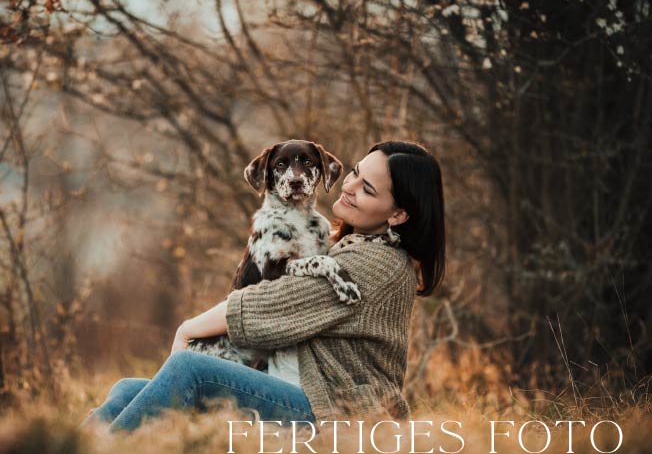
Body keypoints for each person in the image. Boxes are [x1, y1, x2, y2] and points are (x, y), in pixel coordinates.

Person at [83, 140, 446, 433]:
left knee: (188, 369)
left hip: (337, 415)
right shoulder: (348, 246)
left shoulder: (378, 263)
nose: (349, 187)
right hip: (306, 395)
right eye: (354, 173)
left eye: (366, 188)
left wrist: (187, 328)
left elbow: (274, 303)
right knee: (129, 389)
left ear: (398, 215)